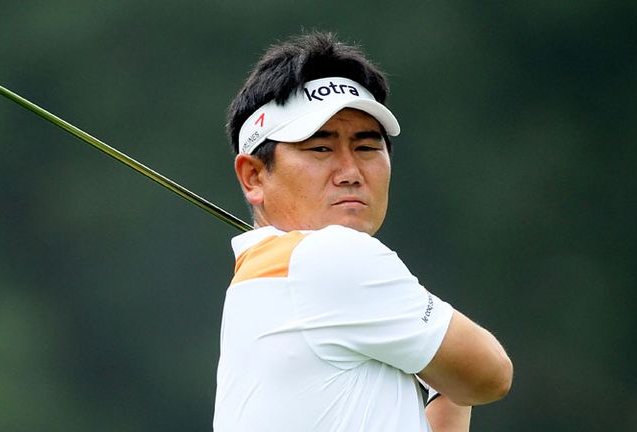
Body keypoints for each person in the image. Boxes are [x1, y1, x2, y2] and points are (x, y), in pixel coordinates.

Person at [213, 32, 512, 432]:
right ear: (253, 176)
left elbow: (466, 387)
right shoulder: (333, 256)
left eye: (367, 148)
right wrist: (435, 346)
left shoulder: (258, 284)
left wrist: (435, 368)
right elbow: (491, 375)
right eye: (320, 149)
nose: (351, 173)